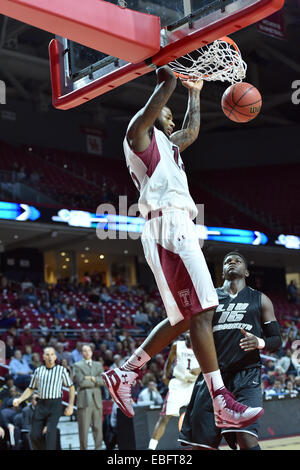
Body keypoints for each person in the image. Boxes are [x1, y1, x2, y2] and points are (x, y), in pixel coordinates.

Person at [102, 65, 263, 429]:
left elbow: (190, 130)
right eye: (167, 115)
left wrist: (194, 90)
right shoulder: (137, 136)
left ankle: (126, 372)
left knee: (184, 318)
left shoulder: (170, 146)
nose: (172, 123)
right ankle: (222, 400)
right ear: (151, 112)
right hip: (167, 225)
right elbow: (163, 86)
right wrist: (170, 66)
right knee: (205, 311)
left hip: (175, 227)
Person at [178, 251, 282, 450]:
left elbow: (276, 340)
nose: (232, 263)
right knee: (202, 445)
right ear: (222, 271)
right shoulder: (209, 298)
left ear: (247, 272)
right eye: (227, 261)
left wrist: (259, 342)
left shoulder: (260, 299)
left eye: (237, 261)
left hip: (246, 375)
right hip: (213, 377)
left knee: (246, 436)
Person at [12, 346, 74, 450]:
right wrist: (20, 399)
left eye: (52, 354)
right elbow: (31, 388)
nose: (50, 357)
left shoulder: (61, 370)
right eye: (47, 354)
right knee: (34, 435)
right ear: (43, 357)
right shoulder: (38, 370)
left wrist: (71, 405)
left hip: (55, 404)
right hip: (41, 404)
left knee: (50, 433)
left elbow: (71, 388)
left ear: (55, 357)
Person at [148, 332, 200, 450]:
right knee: (164, 417)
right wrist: (165, 375)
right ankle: (151, 448)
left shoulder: (201, 344)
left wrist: (200, 369)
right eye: (186, 331)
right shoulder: (177, 345)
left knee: (202, 416)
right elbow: (170, 360)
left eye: (190, 331)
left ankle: (204, 445)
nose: (188, 333)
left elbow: (209, 362)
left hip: (194, 384)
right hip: (178, 384)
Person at [73, 343, 104, 451]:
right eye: (85, 351)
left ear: (92, 352)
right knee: (83, 429)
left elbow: (103, 381)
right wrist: (95, 379)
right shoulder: (77, 365)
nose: (87, 353)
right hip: (84, 400)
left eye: (89, 350)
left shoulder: (98, 365)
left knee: (98, 428)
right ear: (81, 353)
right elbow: (81, 382)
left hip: (97, 400)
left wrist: (91, 378)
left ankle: (98, 448)